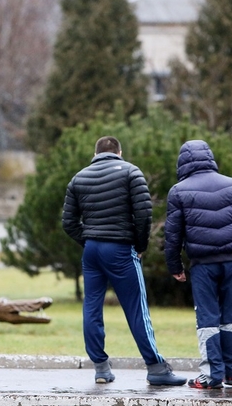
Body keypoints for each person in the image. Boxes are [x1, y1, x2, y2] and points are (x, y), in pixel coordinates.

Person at [62, 136, 186, 386]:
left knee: (91, 308)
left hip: (92, 251)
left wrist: (88, 241)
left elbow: (68, 222)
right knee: (136, 308)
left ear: (94, 154)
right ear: (119, 152)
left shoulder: (79, 178)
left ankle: (101, 369)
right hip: (120, 249)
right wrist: (139, 246)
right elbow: (144, 214)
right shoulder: (131, 172)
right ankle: (156, 369)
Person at [164, 139, 232, 389]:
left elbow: (173, 235)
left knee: (208, 318)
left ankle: (212, 374)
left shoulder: (179, 191)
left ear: (182, 162)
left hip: (203, 265)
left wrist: (175, 266)